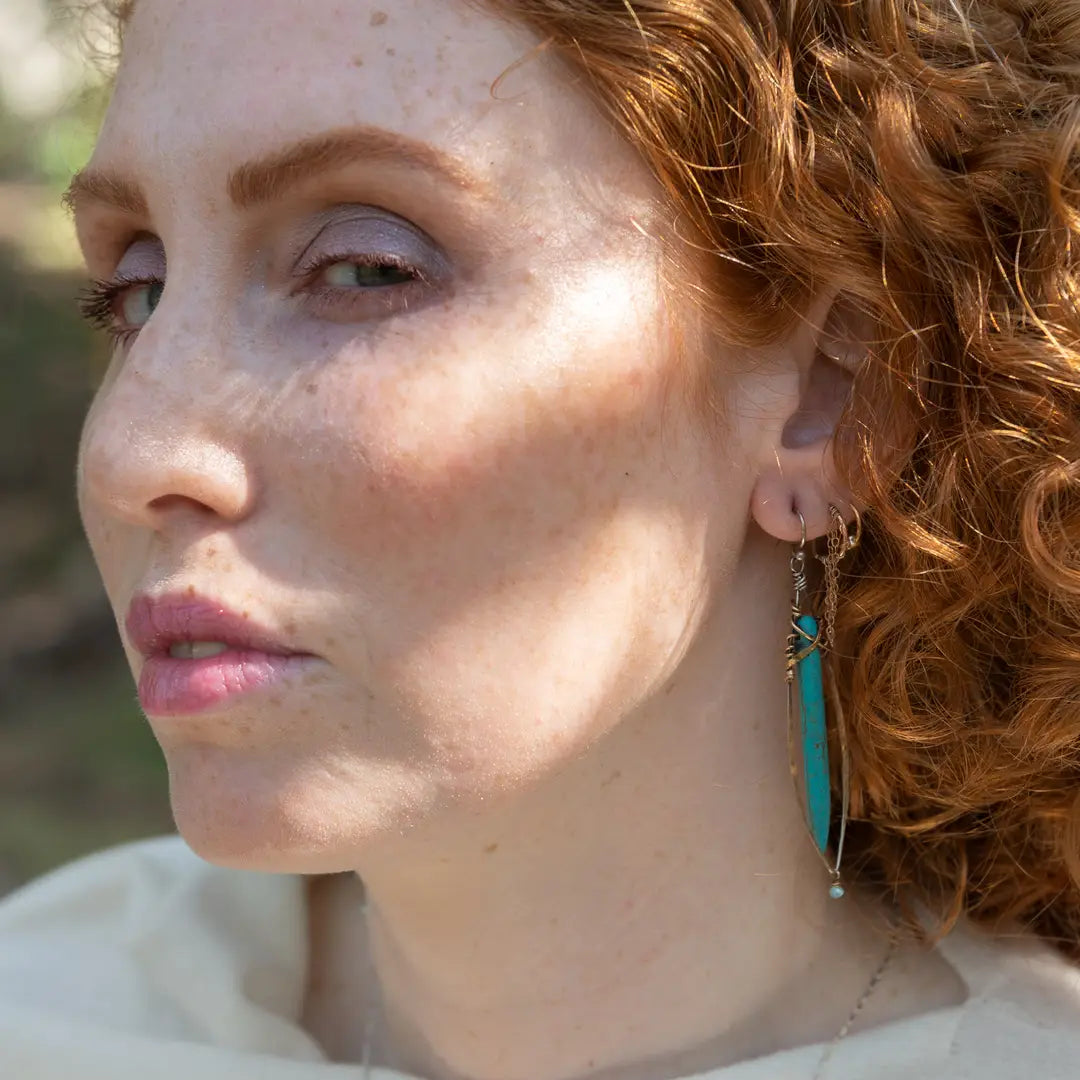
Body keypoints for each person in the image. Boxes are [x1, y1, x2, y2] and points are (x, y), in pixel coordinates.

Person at [3, 0, 1080, 1076]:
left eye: (365, 269)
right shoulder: (47, 1009)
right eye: (138, 290)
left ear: (831, 397)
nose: (132, 452)